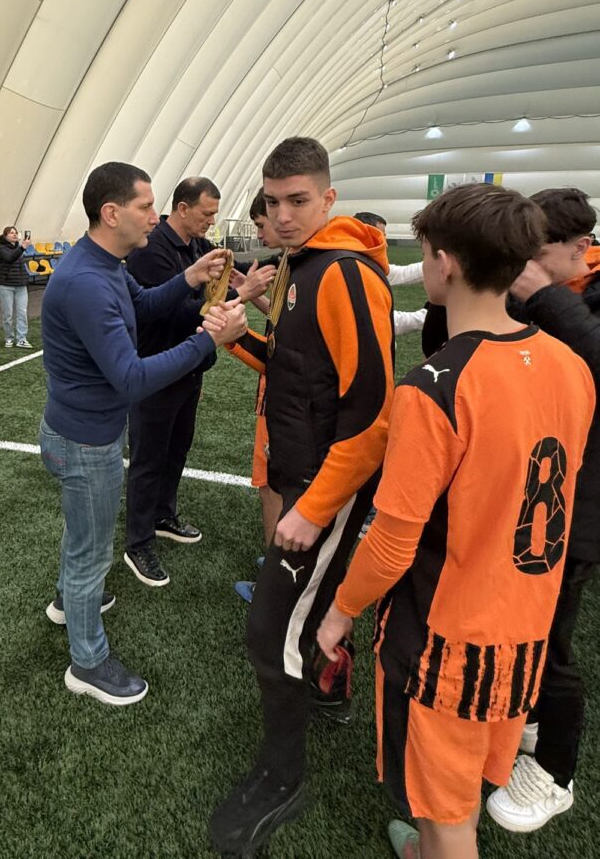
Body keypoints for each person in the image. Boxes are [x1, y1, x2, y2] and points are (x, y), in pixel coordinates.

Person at [316, 183, 595, 859]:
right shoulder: (572, 365)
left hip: (449, 640)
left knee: (444, 813)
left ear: (445, 263)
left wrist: (340, 611)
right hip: (527, 626)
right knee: (461, 788)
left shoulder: (435, 387)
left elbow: (393, 540)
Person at [209, 137, 395, 856]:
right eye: (273, 202)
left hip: (327, 485)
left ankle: (283, 779)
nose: (282, 215)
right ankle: (326, 690)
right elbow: (294, 372)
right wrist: (237, 339)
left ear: (328, 199)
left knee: (270, 632)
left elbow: (372, 413)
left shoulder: (345, 273)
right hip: (302, 473)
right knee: (291, 620)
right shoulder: (302, 265)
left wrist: (315, 507)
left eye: (298, 201)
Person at [38, 162, 247, 707]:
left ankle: (65, 602)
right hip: (85, 442)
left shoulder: (104, 262)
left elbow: (145, 304)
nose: (156, 217)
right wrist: (210, 340)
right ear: (112, 214)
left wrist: (191, 276)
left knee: (82, 534)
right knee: (91, 553)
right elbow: (130, 378)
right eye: (145, 206)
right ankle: (87, 663)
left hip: (82, 431)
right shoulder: (87, 282)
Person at [486, 187, 600, 832]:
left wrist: (543, 298)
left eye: (535, 252)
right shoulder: (549, 296)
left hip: (580, 512)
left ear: (577, 248)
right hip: (539, 492)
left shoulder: (575, 297)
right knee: (522, 624)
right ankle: (527, 719)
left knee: (552, 638)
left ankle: (556, 772)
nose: (522, 265)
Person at [123, 178, 275, 587]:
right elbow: (173, 314)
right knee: (148, 459)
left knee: (176, 449)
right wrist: (242, 297)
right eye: (206, 214)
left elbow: (222, 287)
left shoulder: (197, 246)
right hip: (157, 370)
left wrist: (245, 287)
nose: (211, 221)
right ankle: (138, 542)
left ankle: (163, 515)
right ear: (183, 208)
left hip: (189, 369)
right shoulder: (152, 250)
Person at [229, 188, 284, 604]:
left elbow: (282, 354)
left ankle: (276, 580)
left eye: (261, 225)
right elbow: (285, 320)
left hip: (283, 404)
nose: (260, 234)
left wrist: (233, 337)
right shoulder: (305, 263)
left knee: (271, 486)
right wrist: (252, 295)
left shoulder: (300, 266)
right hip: (291, 401)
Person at [355, 211, 427, 334]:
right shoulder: (353, 270)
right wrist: (429, 316)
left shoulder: (366, 264)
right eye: (381, 236)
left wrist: (440, 264)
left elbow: (403, 273)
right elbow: (377, 321)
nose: (386, 244)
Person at [0, 226, 32, 349]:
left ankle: (22, 339)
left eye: (16, 233)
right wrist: (22, 247)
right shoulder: (1, 248)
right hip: (6, 286)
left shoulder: (18, 248)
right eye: (11, 233)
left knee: (22, 313)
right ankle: (9, 338)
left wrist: (25, 279)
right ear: (5, 235)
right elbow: (10, 258)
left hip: (20, 286)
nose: (14, 235)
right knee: (8, 315)